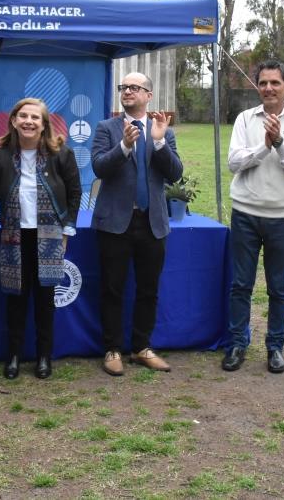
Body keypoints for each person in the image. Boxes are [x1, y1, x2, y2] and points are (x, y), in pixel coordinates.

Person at [0, 97, 81, 380]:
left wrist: (68, 228)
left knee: (45, 299)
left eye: (35, 117)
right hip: (13, 236)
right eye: (23, 116)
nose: (29, 121)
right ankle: (14, 356)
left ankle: (44, 357)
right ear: (14, 121)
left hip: (50, 237)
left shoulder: (61, 154)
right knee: (15, 299)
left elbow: (74, 193)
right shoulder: (1, 155)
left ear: (44, 124)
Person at [222, 60, 284, 374]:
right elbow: (234, 163)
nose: (268, 88)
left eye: (275, 82)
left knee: (279, 288)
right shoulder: (245, 119)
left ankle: (275, 347)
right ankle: (237, 343)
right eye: (263, 83)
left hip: (283, 217)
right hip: (246, 213)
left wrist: (278, 142)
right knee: (240, 285)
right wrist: (263, 149)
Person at [92, 72, 183, 376]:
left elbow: (175, 174)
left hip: (152, 222)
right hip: (115, 222)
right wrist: (124, 148)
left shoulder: (162, 130)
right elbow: (99, 168)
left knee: (148, 289)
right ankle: (113, 349)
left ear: (149, 95)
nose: (127, 91)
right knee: (112, 288)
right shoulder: (107, 128)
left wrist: (158, 144)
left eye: (135, 87)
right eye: (124, 87)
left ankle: (142, 347)